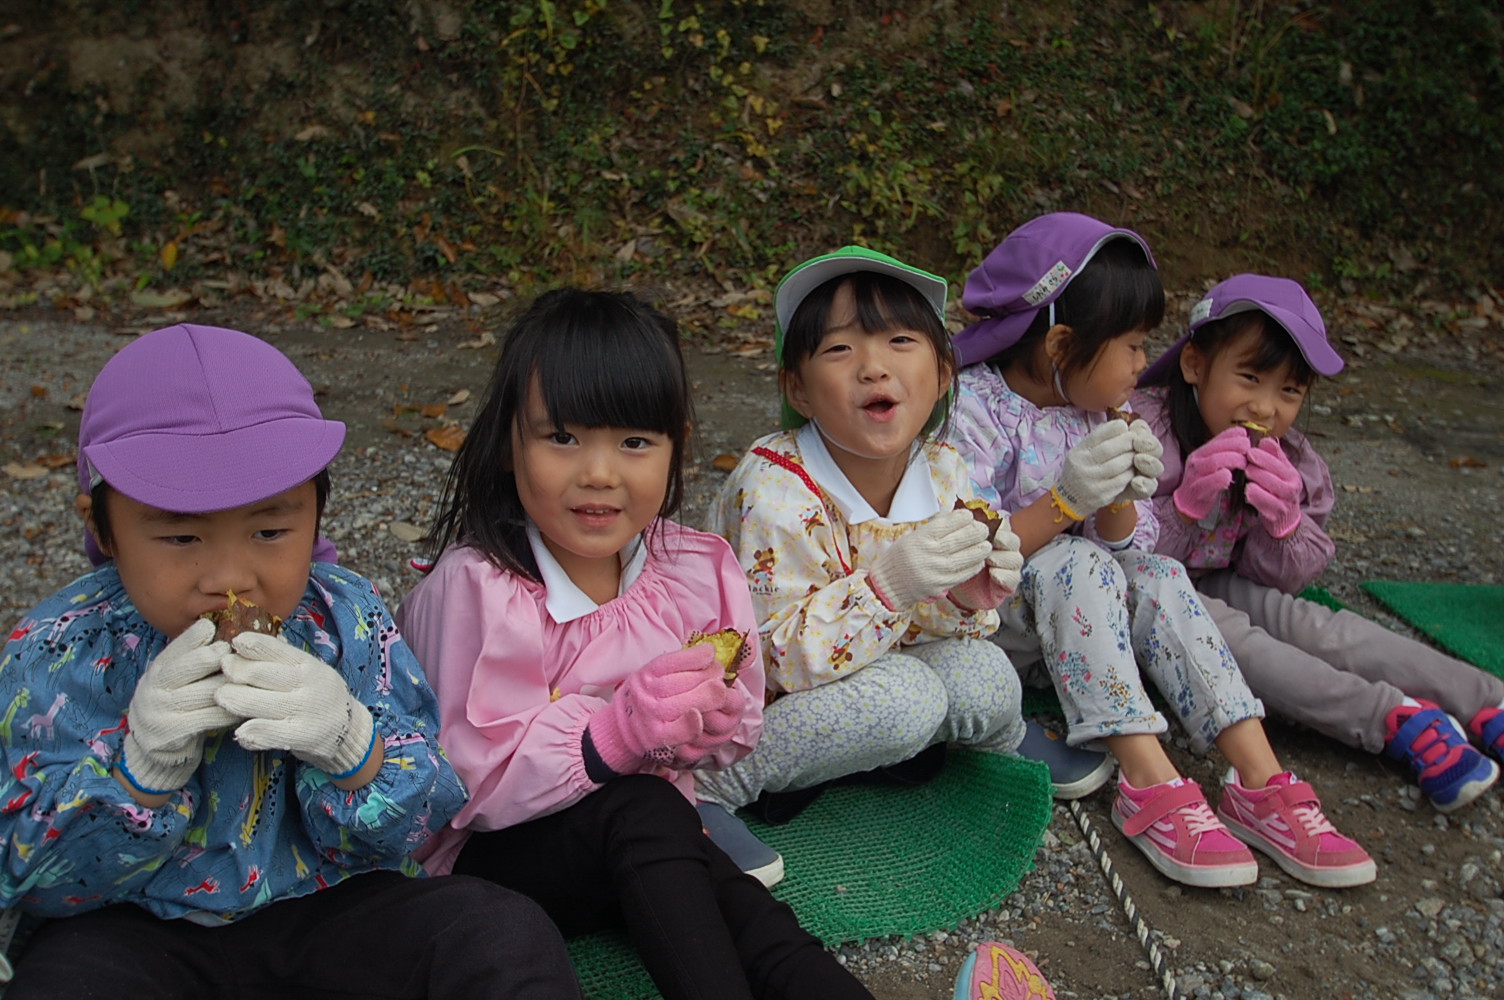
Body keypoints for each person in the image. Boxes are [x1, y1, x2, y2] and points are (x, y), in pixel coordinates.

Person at [0, 324, 582, 999]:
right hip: (134, 930)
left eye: (271, 530)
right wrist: (137, 773)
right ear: (102, 528)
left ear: (317, 514)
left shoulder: (346, 616)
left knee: (496, 932)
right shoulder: (57, 648)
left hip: (328, 908)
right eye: (180, 535)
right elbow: (30, 876)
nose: (229, 577)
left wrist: (349, 743)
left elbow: (425, 821)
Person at [395, 288, 881, 1000]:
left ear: (675, 445)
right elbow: (459, 787)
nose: (599, 472)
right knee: (648, 811)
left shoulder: (693, 567)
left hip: (641, 844)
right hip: (485, 858)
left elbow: (738, 726)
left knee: (745, 910)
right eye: (563, 437)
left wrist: (707, 727)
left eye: (634, 442)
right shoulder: (479, 589)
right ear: (508, 442)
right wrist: (613, 736)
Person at [947, 213, 1375, 890]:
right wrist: (1065, 502)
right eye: (1132, 345)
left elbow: (1128, 544)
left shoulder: (1097, 409)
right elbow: (963, 560)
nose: (1144, 365)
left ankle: (1258, 779)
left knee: (1159, 568)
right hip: (994, 628)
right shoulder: (970, 410)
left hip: (1076, 624)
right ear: (1061, 346)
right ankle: (1149, 780)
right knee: (1075, 559)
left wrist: (1120, 495)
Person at [699, 246, 1106, 854]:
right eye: (839, 349)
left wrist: (965, 596)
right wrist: (887, 587)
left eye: (900, 342)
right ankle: (712, 791)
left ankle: (991, 741)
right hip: (762, 698)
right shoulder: (774, 489)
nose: (872, 367)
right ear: (798, 389)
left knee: (988, 676)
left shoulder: (942, 468)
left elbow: (942, 628)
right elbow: (770, 662)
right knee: (905, 701)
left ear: (944, 375)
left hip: (872, 667)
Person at [1132, 273, 1504, 813]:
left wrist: (1282, 522)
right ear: (1194, 364)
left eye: (1289, 390)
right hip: (1156, 593)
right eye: (1249, 376)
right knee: (1239, 642)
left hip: (1223, 580)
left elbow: (1288, 580)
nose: (1265, 408)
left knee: (1317, 626)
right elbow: (1113, 550)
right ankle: (1392, 716)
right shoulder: (1146, 430)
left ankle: (1483, 699)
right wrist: (1183, 505)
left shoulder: (1296, 459)